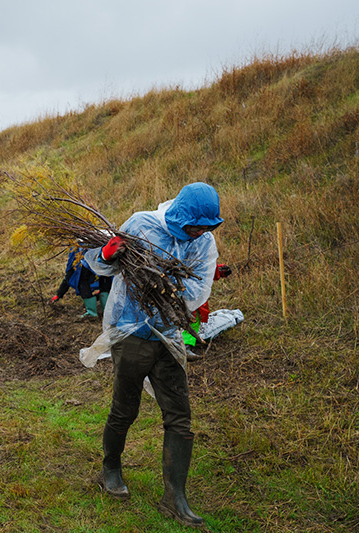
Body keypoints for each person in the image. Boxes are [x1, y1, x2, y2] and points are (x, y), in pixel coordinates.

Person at [81, 182, 223, 528]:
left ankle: (175, 498)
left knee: (180, 416)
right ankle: (110, 470)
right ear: (180, 215)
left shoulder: (203, 243)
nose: (200, 232)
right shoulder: (142, 225)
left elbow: (199, 287)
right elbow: (104, 268)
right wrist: (106, 255)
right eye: (195, 226)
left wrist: (166, 285)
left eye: (206, 227)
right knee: (124, 408)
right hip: (131, 332)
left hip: (170, 335)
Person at [50, 245, 111, 318]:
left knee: (82, 280)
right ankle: (107, 311)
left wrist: (59, 294)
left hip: (87, 256)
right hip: (105, 252)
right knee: (105, 274)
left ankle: (92, 313)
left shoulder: (78, 249)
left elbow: (70, 273)